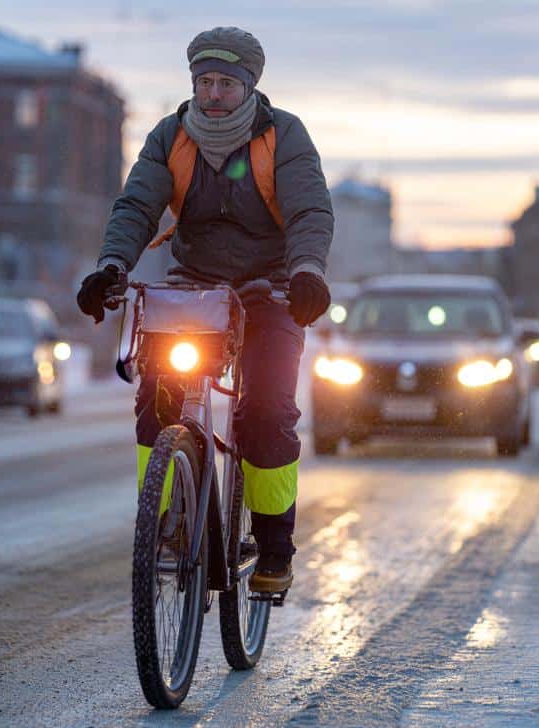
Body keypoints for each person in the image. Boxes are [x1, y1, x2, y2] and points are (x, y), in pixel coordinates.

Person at [76, 27, 333, 594]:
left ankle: (273, 546)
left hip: (272, 290)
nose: (213, 93)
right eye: (204, 82)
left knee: (266, 412)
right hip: (194, 290)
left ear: (248, 86)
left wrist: (308, 272)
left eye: (225, 83)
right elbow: (137, 205)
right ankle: (167, 520)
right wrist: (112, 265)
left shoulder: (283, 135)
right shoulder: (171, 136)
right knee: (158, 395)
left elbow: (310, 209)